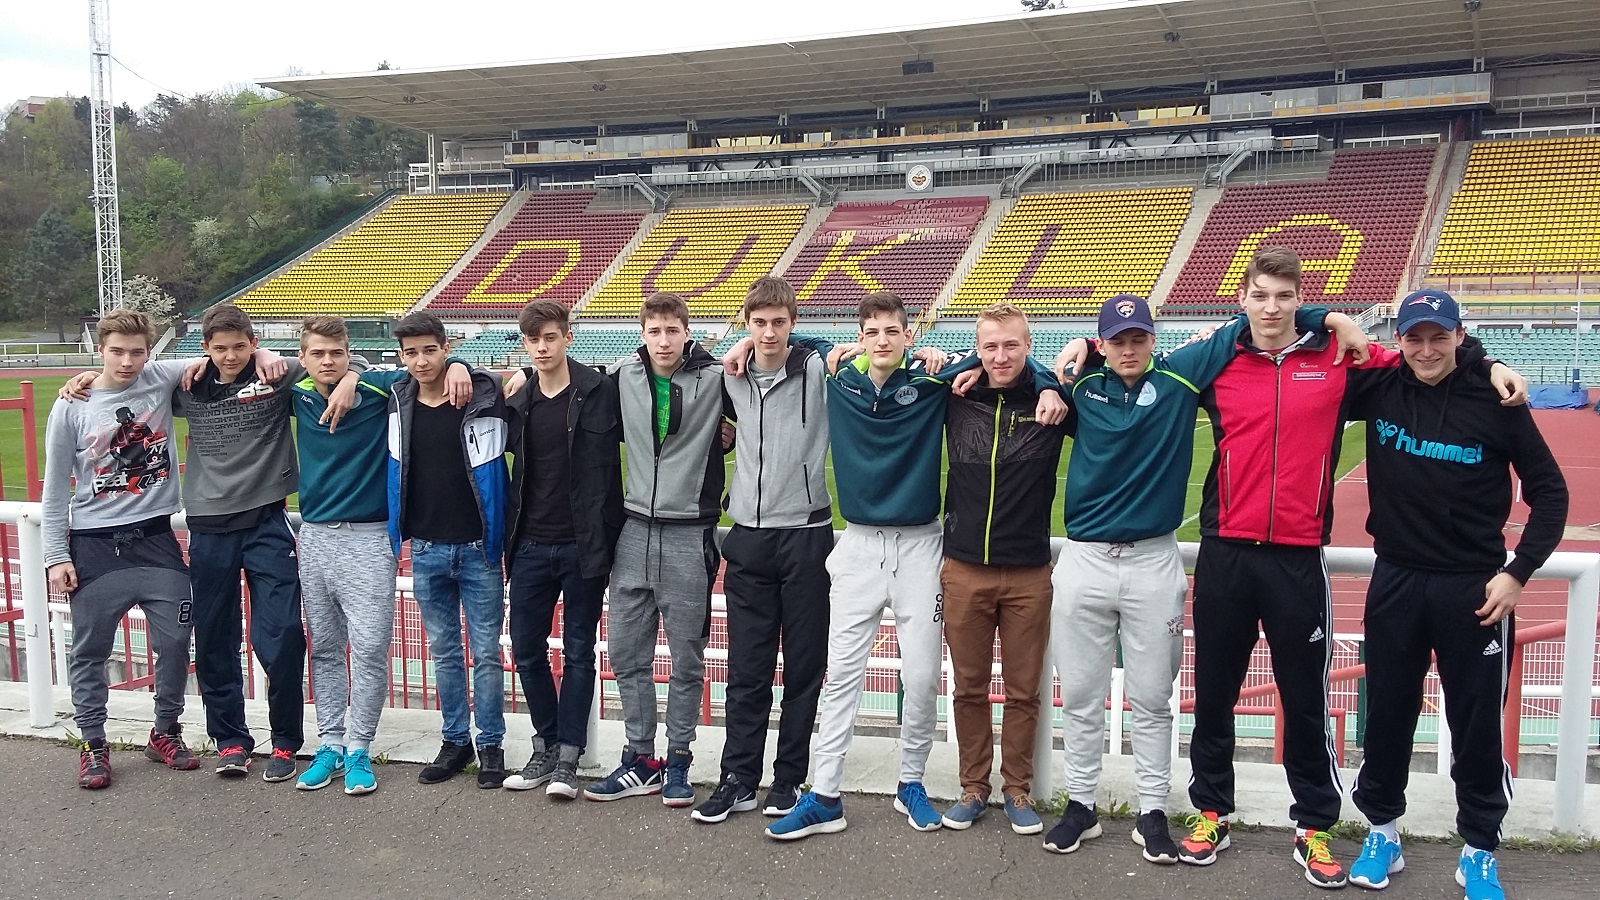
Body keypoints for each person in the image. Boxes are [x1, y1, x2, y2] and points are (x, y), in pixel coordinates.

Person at [1174, 249, 1526, 890]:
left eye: (1286, 296)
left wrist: (1491, 361)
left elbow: (1431, 356)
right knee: (1215, 694)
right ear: (1244, 300)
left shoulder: (1338, 361)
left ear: (1297, 297)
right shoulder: (1217, 361)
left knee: (1305, 698)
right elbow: (1137, 361)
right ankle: (1211, 811)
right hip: (1224, 550)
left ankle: (1314, 826)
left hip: (1298, 558)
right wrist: (1082, 348)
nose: (1273, 308)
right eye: (1261, 296)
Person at [1040, 294, 1357, 866]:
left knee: (1154, 696)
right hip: (1085, 558)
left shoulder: (1182, 376)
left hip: (1153, 559)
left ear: (1152, 339)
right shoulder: (1079, 385)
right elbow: (1012, 370)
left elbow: (1260, 317)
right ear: (1103, 344)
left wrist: (1328, 318)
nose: (1129, 348)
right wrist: (1066, 360)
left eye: (1138, 338)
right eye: (1116, 340)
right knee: (1082, 693)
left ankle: (1152, 810)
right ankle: (1081, 803)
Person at [755, 291, 1066, 841]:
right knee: (843, 673)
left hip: (923, 546)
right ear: (859, 336)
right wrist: (741, 341)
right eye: (871, 332)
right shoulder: (837, 375)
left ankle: (911, 783)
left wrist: (1045, 380)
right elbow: (784, 338)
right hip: (858, 545)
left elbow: (1007, 362)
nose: (881, 342)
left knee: (922, 677)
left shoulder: (934, 382)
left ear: (908, 336)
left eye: (892, 332)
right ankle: (824, 794)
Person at [1344, 290, 1566, 900]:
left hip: (1475, 590)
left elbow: (1550, 494)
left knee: (1475, 725)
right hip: (1395, 579)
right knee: (1387, 712)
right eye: (1414, 337)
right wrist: (1334, 316)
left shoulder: (1496, 399)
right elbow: (1294, 350)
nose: (1425, 349)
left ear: (1460, 336)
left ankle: (1479, 849)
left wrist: (1517, 574)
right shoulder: (1381, 388)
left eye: (1438, 337)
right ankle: (1384, 831)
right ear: (1400, 339)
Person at [43, 309, 274, 789]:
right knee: (90, 650)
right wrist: (54, 555)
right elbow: (53, 489)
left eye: (136, 351)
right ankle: (93, 743)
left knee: (174, 641)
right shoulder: (72, 405)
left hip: (155, 538)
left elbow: (229, 360)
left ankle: (164, 731)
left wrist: (266, 350)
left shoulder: (162, 376)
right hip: (94, 544)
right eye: (116, 352)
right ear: (99, 350)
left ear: (151, 351)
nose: (127, 361)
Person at [175, 303, 359, 783]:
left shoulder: (279, 374)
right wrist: (85, 378)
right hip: (209, 527)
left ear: (254, 342)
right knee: (214, 637)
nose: (231, 355)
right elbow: (126, 373)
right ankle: (231, 740)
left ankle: (285, 742)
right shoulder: (186, 381)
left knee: (281, 638)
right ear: (205, 349)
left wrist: (352, 378)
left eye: (240, 346)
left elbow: (337, 359)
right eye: (220, 348)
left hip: (267, 523)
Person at [292, 315, 471, 796]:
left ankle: (358, 748)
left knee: (370, 648)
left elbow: (429, 365)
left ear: (350, 353)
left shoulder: (381, 388)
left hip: (369, 538)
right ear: (303, 357)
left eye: (337, 353)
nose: (328, 362)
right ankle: (328, 742)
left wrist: (456, 363)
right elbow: (232, 363)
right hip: (314, 536)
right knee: (325, 648)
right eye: (318, 354)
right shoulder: (296, 390)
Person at [692, 277, 832, 824]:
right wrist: (736, 352)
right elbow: (677, 355)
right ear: (746, 324)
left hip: (806, 533)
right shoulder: (732, 378)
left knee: (803, 669)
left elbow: (840, 349)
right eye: (759, 323)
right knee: (746, 670)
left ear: (792, 324)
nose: (769, 332)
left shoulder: (816, 369)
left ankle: (789, 779)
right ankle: (738, 778)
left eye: (779, 322)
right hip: (747, 535)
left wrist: (803, 344)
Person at [583, 292, 729, 808]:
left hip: (690, 534)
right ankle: (641, 758)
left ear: (688, 332)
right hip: (633, 533)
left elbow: (782, 357)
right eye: (654, 331)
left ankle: (681, 760)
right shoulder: (621, 376)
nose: (664, 341)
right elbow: (563, 383)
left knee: (687, 660)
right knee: (626, 654)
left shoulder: (717, 377)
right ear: (642, 334)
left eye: (673, 330)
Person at [937, 303, 1063, 837]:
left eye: (1011, 345)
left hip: (1029, 570)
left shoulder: (1054, 404)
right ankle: (973, 787)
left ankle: (1017, 789)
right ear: (977, 348)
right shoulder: (956, 396)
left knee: (1024, 689)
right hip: (964, 568)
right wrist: (965, 361)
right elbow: (908, 366)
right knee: (967, 687)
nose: (1000, 355)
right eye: (989, 346)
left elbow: (1103, 375)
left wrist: (1055, 384)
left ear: (1028, 346)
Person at [499, 299, 623, 800]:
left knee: (577, 653)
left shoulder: (599, 391)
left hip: (583, 546)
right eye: (534, 340)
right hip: (528, 544)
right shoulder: (517, 400)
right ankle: (546, 745)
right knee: (526, 650)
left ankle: (568, 757)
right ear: (525, 344)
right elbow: (451, 375)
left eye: (551, 337)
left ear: (567, 337)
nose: (543, 347)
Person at [386, 312, 511, 789]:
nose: (421, 361)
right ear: (402, 357)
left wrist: (466, 366)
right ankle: (456, 741)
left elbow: (523, 375)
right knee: (444, 652)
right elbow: (346, 366)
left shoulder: (480, 395)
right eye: (411, 353)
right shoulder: (397, 398)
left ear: (445, 347)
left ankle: (492, 744)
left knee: (486, 652)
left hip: (479, 549)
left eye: (431, 351)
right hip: (427, 549)